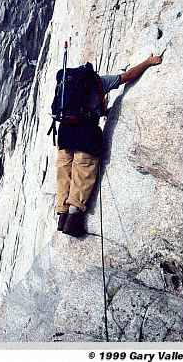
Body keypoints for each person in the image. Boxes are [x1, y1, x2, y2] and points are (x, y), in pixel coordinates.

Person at [57, 54, 163, 237]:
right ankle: (73, 221)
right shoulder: (99, 81)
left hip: (65, 132)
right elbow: (128, 76)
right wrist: (148, 62)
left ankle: (61, 215)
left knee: (64, 172)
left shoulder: (65, 85)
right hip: (85, 133)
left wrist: (100, 110)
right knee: (83, 171)